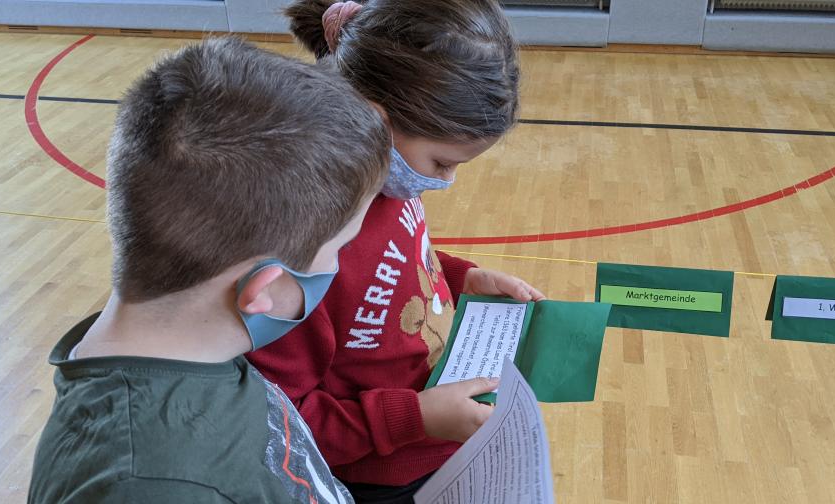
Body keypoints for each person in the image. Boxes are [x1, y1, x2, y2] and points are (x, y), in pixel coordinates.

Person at [27, 36, 390, 503]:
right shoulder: (152, 486)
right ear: (265, 288)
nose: (339, 266)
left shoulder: (198, 346)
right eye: (339, 248)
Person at [247, 1, 544, 501]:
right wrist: (416, 417)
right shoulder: (301, 252)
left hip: (440, 438)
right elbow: (288, 424)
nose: (445, 182)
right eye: (442, 161)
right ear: (375, 122)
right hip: (381, 476)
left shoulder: (385, 188)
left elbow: (395, 261)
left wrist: (459, 277)